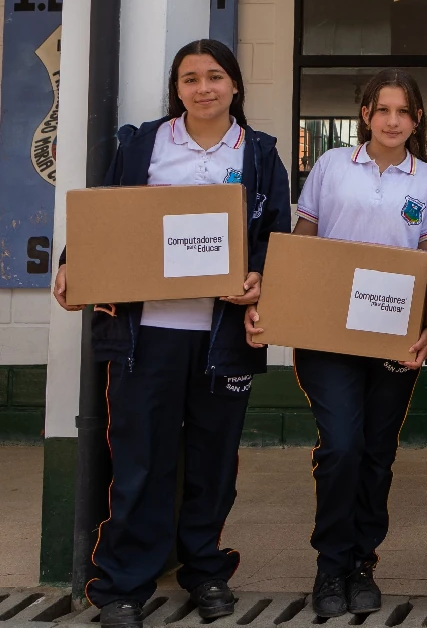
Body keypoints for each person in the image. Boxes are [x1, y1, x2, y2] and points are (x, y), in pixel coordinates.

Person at [52, 39, 291, 628]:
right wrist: (72, 263)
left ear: (234, 85)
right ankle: (124, 585)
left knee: (214, 464)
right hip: (145, 334)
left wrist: (261, 275)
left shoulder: (260, 154)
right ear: (176, 89)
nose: (203, 88)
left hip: (221, 337)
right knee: (140, 461)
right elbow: (106, 216)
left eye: (214, 76)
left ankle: (205, 570)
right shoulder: (143, 145)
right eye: (190, 78)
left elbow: (276, 238)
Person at [245, 69, 427, 618]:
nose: (392, 121)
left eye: (403, 112)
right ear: (366, 115)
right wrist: (276, 307)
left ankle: (361, 563)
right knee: (341, 446)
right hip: (326, 334)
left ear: (417, 120)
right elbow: (303, 241)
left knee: (377, 453)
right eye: (383, 110)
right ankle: (330, 565)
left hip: (394, 335)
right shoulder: (332, 165)